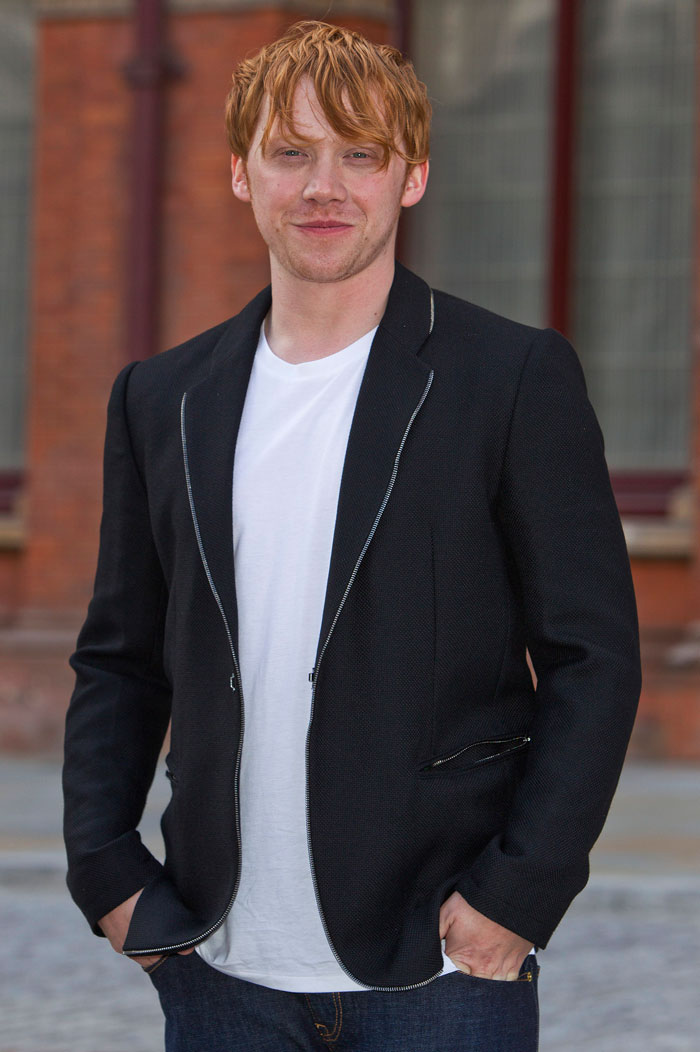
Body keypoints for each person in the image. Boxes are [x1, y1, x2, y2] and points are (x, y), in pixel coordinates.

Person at [63, 20, 641, 1052]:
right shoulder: (163, 399)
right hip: (219, 964)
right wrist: (108, 872)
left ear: (410, 176)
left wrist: (520, 889)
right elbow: (119, 656)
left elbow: (592, 657)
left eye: (359, 153)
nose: (323, 185)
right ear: (241, 173)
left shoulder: (508, 379)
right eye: (291, 152)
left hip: (441, 965)